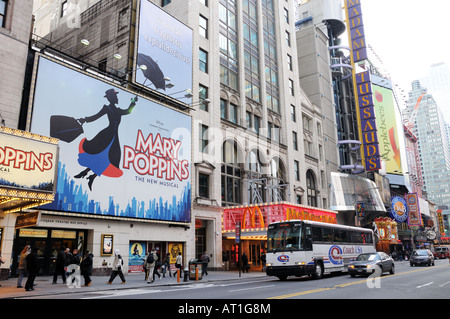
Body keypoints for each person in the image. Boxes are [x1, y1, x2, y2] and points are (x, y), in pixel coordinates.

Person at [74, 89, 138, 191]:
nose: (117, 98)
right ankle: (86, 173)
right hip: (106, 135)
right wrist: (85, 119)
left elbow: (128, 111)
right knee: (99, 155)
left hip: (113, 136)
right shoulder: (107, 108)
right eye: (115, 96)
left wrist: (133, 102)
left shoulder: (118, 110)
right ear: (111, 98)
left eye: (116, 96)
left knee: (108, 158)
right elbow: (96, 116)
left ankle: (91, 175)